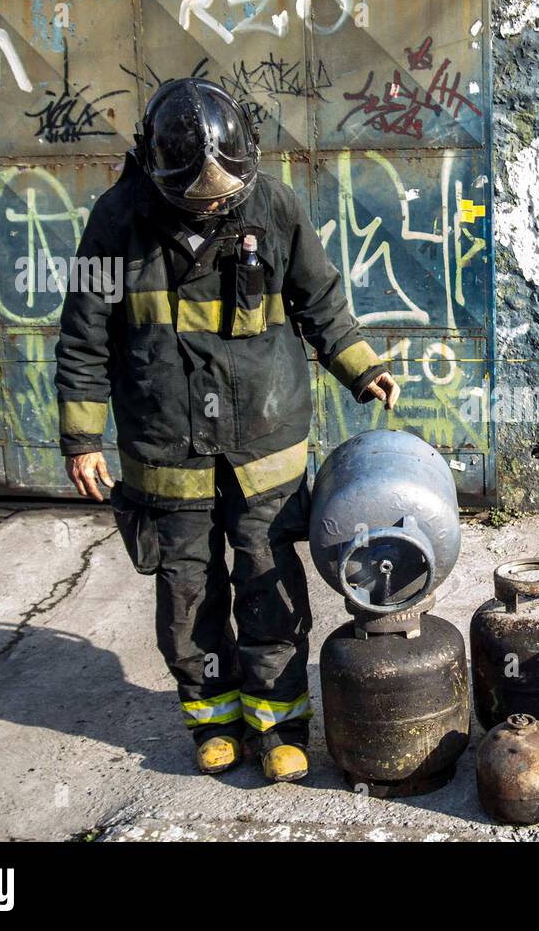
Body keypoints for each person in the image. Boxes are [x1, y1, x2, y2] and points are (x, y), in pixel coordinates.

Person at [53, 78, 400, 782]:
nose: (215, 204)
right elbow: (84, 333)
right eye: (199, 196)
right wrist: (82, 439)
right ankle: (211, 716)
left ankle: (279, 725)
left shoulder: (273, 205)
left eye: (224, 194)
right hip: (166, 452)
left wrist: (359, 366)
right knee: (187, 592)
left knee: (268, 584)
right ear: (157, 170)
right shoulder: (115, 221)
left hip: (263, 446)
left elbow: (320, 300)